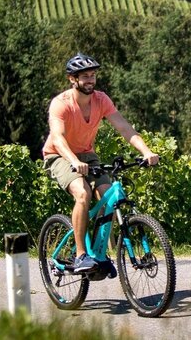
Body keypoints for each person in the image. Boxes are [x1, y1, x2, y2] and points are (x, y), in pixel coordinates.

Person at [42, 53, 159, 273]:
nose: (90, 80)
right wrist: (74, 161)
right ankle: (80, 255)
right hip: (59, 155)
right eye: (85, 76)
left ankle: (98, 254)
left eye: (93, 75)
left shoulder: (101, 99)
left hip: (87, 155)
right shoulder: (61, 103)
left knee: (108, 198)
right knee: (83, 193)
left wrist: (146, 151)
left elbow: (124, 127)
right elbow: (57, 138)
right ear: (72, 79)